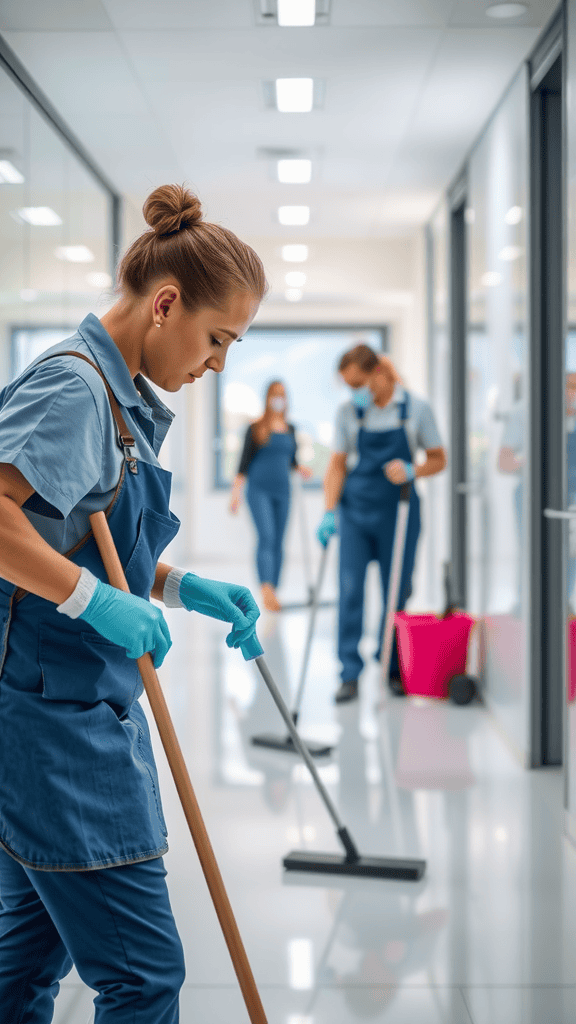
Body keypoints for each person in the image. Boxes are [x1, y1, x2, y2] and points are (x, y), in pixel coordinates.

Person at [0, 183, 267, 1022]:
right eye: (217, 337)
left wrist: (182, 587)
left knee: (25, 956)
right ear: (165, 303)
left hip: (64, 706)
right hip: (55, 723)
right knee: (142, 976)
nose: (218, 362)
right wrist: (92, 604)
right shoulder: (76, 389)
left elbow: (73, 534)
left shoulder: (121, 402)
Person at [317, 344, 446, 703]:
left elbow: (439, 459)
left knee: (397, 592)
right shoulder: (348, 412)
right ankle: (349, 673)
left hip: (399, 514)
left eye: (357, 383)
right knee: (350, 591)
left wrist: (413, 469)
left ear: (377, 374)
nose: (352, 392)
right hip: (355, 514)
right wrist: (329, 512)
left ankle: (392, 666)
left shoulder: (415, 409)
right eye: (347, 386)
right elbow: (337, 465)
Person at [229, 380, 312, 611]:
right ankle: (266, 589)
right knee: (266, 536)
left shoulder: (291, 429)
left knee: (278, 541)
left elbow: (291, 459)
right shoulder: (256, 428)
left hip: (283, 492)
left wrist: (300, 468)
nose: (278, 398)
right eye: (275, 394)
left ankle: (273, 589)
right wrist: (235, 495)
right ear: (267, 397)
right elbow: (242, 464)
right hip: (258, 490)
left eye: (282, 394)